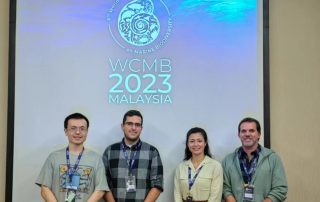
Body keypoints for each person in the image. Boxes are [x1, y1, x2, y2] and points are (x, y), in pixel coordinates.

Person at [36, 112, 109, 202]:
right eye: (73, 128)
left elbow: (100, 189)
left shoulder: (96, 158)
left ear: (87, 132)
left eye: (82, 129)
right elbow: (45, 188)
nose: (78, 132)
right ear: (66, 131)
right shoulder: (53, 157)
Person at [102, 109, 163, 202]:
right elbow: (103, 184)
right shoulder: (110, 151)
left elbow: (158, 184)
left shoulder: (152, 152)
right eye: (129, 124)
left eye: (137, 125)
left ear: (141, 128)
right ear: (122, 126)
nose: (133, 128)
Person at [222, 117, 288, 202]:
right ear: (239, 135)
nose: (247, 134)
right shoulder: (228, 160)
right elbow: (224, 187)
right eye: (243, 131)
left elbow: (280, 188)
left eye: (251, 131)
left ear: (259, 134)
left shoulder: (273, 159)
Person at [174, 127, 223, 202]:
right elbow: (177, 193)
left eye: (199, 141)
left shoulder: (215, 166)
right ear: (187, 144)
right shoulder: (180, 167)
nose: (196, 144)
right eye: (192, 141)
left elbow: (215, 197)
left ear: (205, 143)